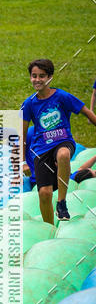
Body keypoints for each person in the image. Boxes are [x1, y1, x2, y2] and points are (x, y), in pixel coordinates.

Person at [21, 58, 96, 223]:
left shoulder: (62, 96)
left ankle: (62, 202)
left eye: (42, 76)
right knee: (44, 194)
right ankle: (49, 227)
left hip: (63, 141)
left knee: (63, 155)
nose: (37, 80)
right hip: (41, 150)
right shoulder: (29, 104)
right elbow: (22, 134)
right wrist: (22, 162)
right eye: (34, 76)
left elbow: (86, 112)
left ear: (50, 77)